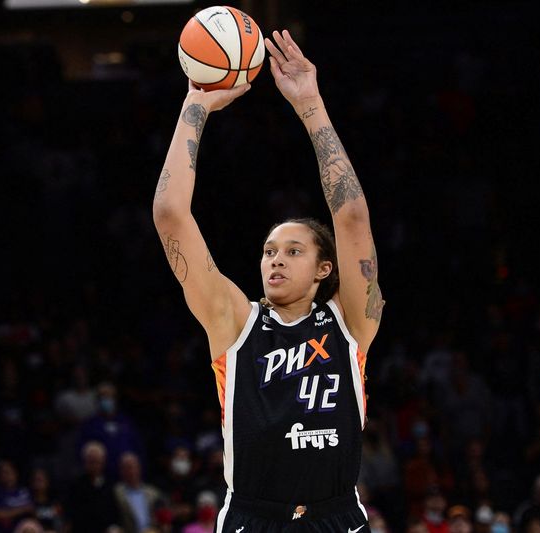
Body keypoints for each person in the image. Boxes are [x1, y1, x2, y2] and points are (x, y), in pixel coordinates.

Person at [153, 28, 383, 532]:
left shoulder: (352, 324)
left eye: (293, 251)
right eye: (268, 251)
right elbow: (170, 214)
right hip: (253, 518)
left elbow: (352, 217)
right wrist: (195, 106)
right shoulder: (235, 323)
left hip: (336, 515)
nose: (275, 260)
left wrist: (310, 104)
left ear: (325, 269)